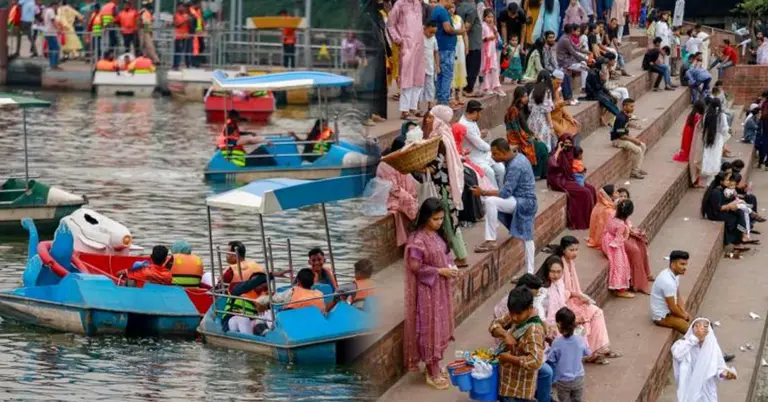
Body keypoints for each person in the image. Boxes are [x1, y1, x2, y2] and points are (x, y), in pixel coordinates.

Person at [403, 198, 459, 389]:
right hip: (427, 290)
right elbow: (415, 266)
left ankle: (435, 364)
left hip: (440, 288)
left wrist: (450, 266)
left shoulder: (437, 235)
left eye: (441, 219)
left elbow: (445, 255)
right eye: (435, 219)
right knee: (430, 328)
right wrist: (439, 271)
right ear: (426, 217)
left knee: (440, 325)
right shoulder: (417, 241)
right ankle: (431, 369)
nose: (439, 223)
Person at [472, 139, 538, 276]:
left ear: (503, 152)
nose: (493, 157)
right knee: (527, 237)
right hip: (522, 199)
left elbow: (505, 193)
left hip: (524, 202)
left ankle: (491, 240)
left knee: (491, 201)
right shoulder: (517, 157)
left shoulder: (515, 166)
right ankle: (530, 272)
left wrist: (482, 192)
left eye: (495, 154)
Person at [554, 236, 619, 363]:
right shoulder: (560, 265)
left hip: (574, 299)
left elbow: (575, 287)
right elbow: (562, 292)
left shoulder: (570, 263)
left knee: (597, 312)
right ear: (563, 250)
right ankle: (589, 354)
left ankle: (599, 348)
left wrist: (580, 296)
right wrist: (577, 295)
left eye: (577, 250)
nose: (575, 253)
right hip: (565, 303)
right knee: (585, 318)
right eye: (571, 250)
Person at [424, 106, 469, 267]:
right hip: (446, 185)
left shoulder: (440, 140)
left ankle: (461, 256)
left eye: (431, 117)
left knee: (448, 221)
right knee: (449, 220)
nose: (428, 120)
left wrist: (419, 169)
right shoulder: (442, 135)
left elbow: (435, 166)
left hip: (443, 187)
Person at [489, 286, 548, 401]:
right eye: (511, 313)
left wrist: (508, 358)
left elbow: (535, 361)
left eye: (518, 314)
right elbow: (494, 325)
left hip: (518, 391)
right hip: (507, 384)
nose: (514, 318)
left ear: (530, 309)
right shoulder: (517, 314)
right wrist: (506, 334)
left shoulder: (534, 329)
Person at [672, 318, 737, 401]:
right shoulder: (683, 345)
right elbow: (677, 354)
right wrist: (695, 338)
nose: (701, 329)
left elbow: (717, 368)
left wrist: (724, 374)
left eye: (705, 327)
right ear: (692, 329)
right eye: (697, 326)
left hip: (707, 392)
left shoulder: (713, 348)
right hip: (689, 390)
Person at [548, 135, 597, 230]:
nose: (568, 145)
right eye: (565, 143)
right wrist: (559, 149)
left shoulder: (571, 153)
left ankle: (593, 218)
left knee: (591, 189)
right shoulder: (557, 152)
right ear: (560, 143)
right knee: (585, 192)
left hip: (570, 178)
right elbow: (552, 163)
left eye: (570, 143)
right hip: (560, 180)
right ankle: (582, 222)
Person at [376, 143, 419, 248]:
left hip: (400, 193)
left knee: (412, 202)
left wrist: (409, 195)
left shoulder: (398, 163)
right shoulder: (384, 166)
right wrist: (407, 197)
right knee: (408, 204)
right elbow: (393, 188)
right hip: (389, 196)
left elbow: (408, 180)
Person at [387, 0, 425, 119]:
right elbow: (390, 24)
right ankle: (404, 111)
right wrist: (398, 39)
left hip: (419, 45)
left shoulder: (418, 4)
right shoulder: (400, 4)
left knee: (418, 77)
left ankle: (413, 107)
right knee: (407, 78)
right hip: (407, 46)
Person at [701, 173, 754, 253]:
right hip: (715, 215)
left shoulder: (723, 189)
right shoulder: (716, 192)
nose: (729, 182)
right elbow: (718, 208)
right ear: (721, 182)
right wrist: (729, 206)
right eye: (727, 180)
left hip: (721, 211)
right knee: (735, 219)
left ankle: (741, 238)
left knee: (740, 213)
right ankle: (739, 240)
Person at [505, 86, 550, 180]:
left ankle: (543, 173)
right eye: (524, 96)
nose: (526, 98)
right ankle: (535, 173)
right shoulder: (513, 111)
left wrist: (533, 135)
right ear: (518, 97)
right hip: (516, 138)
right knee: (540, 148)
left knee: (542, 146)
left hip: (522, 135)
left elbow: (524, 128)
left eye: (526, 96)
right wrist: (528, 139)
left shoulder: (520, 108)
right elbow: (516, 130)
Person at [547, 307, 590, 402]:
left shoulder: (556, 343)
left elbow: (551, 359)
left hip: (563, 381)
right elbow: (587, 352)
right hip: (579, 379)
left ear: (559, 326)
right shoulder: (580, 340)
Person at [460, 100, 505, 188]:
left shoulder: (471, 121)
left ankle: (502, 191)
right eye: (479, 113)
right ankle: (494, 195)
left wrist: (480, 134)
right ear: (475, 112)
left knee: (501, 169)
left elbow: (476, 138)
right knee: (490, 172)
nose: (480, 115)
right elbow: (479, 144)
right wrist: (493, 148)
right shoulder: (464, 124)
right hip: (473, 156)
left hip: (483, 154)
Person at [433, 0, 466, 106]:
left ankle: (440, 98)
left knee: (441, 74)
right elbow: (448, 29)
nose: (453, 4)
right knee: (447, 74)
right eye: (452, 1)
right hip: (446, 47)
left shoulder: (437, 10)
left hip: (442, 47)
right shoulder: (442, 12)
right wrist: (460, 31)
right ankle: (444, 100)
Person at [601, 199, 636, 298]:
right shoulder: (621, 225)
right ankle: (620, 290)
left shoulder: (612, 214)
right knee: (621, 264)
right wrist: (627, 232)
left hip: (605, 239)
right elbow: (620, 239)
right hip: (613, 244)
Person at [650, 250, 690, 334]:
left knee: (696, 323)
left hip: (671, 311)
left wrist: (683, 312)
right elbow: (672, 307)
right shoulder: (667, 282)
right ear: (673, 264)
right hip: (662, 317)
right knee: (691, 330)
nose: (685, 267)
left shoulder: (675, 274)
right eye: (682, 264)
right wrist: (683, 316)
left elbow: (678, 295)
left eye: (686, 264)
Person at [612, 98, 648, 179]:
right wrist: (633, 140)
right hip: (618, 140)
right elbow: (621, 135)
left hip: (623, 137)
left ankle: (638, 169)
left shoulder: (625, 115)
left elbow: (626, 124)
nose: (633, 108)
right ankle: (634, 172)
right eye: (631, 106)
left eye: (633, 106)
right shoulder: (620, 118)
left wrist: (635, 126)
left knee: (643, 146)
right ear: (625, 106)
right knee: (638, 150)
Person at [699, 98, 729, 186]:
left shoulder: (706, 114)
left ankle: (707, 174)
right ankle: (712, 176)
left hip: (708, 137)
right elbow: (724, 129)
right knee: (716, 156)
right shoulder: (721, 115)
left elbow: (703, 125)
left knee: (708, 154)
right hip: (718, 138)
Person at [458, 0, 483, 97]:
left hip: (466, 42)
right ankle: (468, 89)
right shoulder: (471, 8)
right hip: (473, 43)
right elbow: (467, 26)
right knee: (473, 67)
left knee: (468, 66)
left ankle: (466, 88)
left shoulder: (460, 6)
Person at [556, 24, 589, 95]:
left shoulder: (567, 37)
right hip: (565, 62)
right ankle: (583, 88)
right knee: (586, 69)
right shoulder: (565, 40)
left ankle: (583, 87)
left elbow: (575, 47)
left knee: (584, 64)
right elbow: (574, 53)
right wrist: (586, 60)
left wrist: (585, 52)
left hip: (569, 61)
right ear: (571, 31)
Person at [528, 70, 557, 152]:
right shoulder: (547, 91)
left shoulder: (534, 90)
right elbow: (547, 111)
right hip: (542, 121)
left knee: (535, 144)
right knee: (544, 145)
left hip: (532, 119)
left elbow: (530, 106)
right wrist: (551, 127)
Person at [480, 9, 504, 97]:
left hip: (493, 51)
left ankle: (496, 86)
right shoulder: (483, 26)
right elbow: (481, 39)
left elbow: (497, 38)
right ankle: (486, 87)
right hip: (486, 51)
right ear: (484, 17)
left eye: (492, 17)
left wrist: (494, 29)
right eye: (488, 17)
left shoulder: (493, 26)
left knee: (494, 68)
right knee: (487, 69)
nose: (490, 19)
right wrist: (488, 38)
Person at [449, 4, 468, 105]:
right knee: (452, 69)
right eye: (449, 7)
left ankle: (459, 95)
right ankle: (451, 96)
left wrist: (466, 46)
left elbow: (464, 33)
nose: (451, 9)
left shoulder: (459, 18)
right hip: (451, 45)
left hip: (460, 45)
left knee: (461, 68)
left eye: (453, 7)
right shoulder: (446, 20)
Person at [587, 184, 616, 248]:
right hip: (603, 237)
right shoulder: (608, 210)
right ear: (610, 196)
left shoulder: (599, 205)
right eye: (615, 192)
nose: (617, 194)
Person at [42, 1, 60, 69]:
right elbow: (53, 21)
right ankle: (54, 65)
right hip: (51, 33)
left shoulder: (47, 11)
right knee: (56, 49)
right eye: (57, 6)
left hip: (48, 32)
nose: (57, 8)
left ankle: (52, 65)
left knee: (51, 49)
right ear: (54, 5)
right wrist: (58, 29)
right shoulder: (51, 11)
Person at [172, 3, 189, 70]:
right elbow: (176, 24)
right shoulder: (176, 15)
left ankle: (181, 65)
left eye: (183, 7)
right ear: (178, 8)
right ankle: (175, 66)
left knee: (184, 52)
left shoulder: (186, 15)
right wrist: (184, 21)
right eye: (181, 7)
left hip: (185, 36)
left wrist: (189, 20)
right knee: (177, 51)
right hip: (178, 36)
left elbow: (189, 24)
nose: (182, 9)